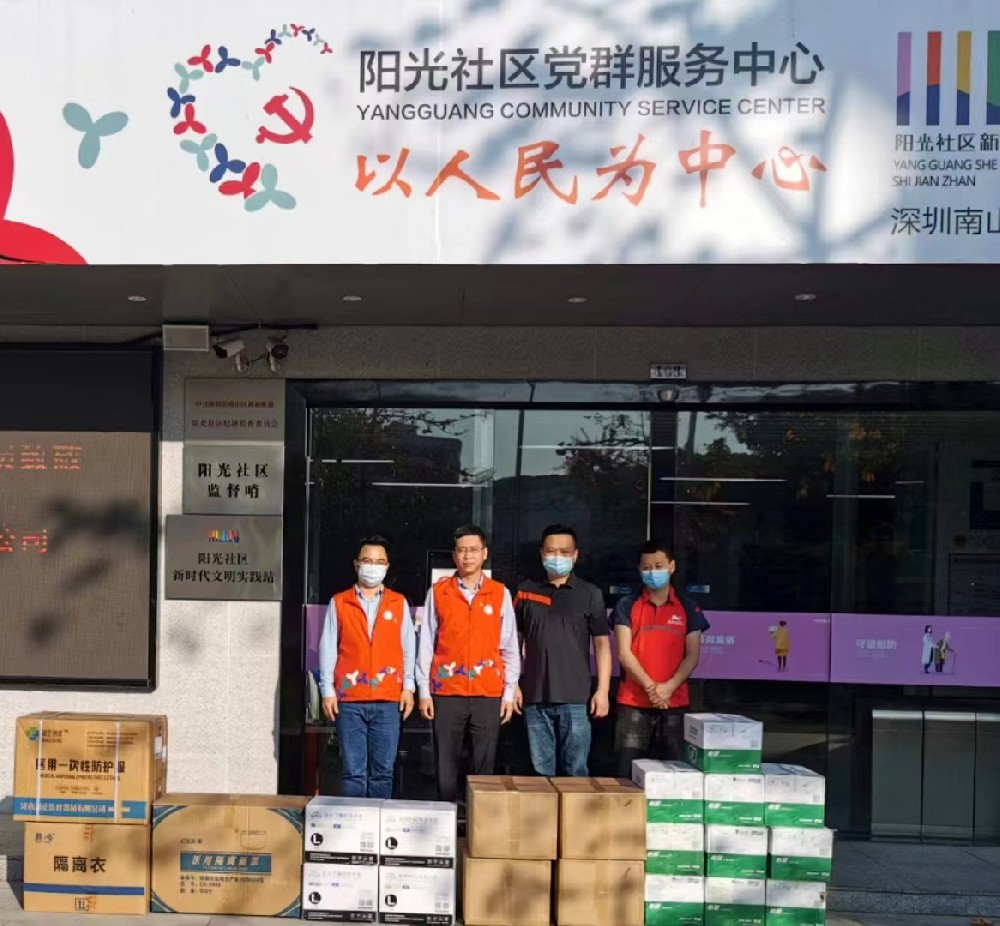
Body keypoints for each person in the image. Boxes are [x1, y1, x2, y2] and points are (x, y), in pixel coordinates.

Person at [416, 524, 520, 803]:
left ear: (484, 553)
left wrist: (509, 692)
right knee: (445, 769)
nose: (467, 556)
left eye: (473, 550)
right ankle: (446, 822)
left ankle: (478, 823)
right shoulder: (439, 592)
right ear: (454, 555)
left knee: (483, 771)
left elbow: (509, 647)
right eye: (462, 550)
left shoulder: (500, 593)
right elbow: (426, 644)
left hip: (488, 692)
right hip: (447, 692)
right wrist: (424, 691)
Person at [318, 536, 416, 799]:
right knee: (353, 773)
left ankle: (378, 822)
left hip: (388, 700)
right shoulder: (340, 602)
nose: (373, 566)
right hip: (350, 700)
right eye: (367, 561)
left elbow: (408, 647)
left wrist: (408, 687)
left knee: (383, 772)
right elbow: (328, 648)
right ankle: (354, 822)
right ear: (356, 564)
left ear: (387, 566)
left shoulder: (398, 602)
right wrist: (327, 690)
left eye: (379, 562)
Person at [514, 524, 611, 777]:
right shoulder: (526, 591)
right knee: (540, 774)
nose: (557, 557)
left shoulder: (590, 594)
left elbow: (602, 645)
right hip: (535, 697)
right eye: (551, 551)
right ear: (541, 553)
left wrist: (602, 691)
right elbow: (513, 644)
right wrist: (512, 685)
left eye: (564, 552)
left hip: (576, 699)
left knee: (576, 772)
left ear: (575, 555)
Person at [612, 540, 709, 777]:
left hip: (675, 703)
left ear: (671, 567)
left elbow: (692, 655)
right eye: (647, 567)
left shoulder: (688, 607)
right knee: (626, 773)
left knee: (675, 775)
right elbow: (624, 653)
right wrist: (651, 688)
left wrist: (668, 688)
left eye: (659, 566)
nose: (652, 572)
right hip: (633, 703)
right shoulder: (626, 605)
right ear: (639, 569)